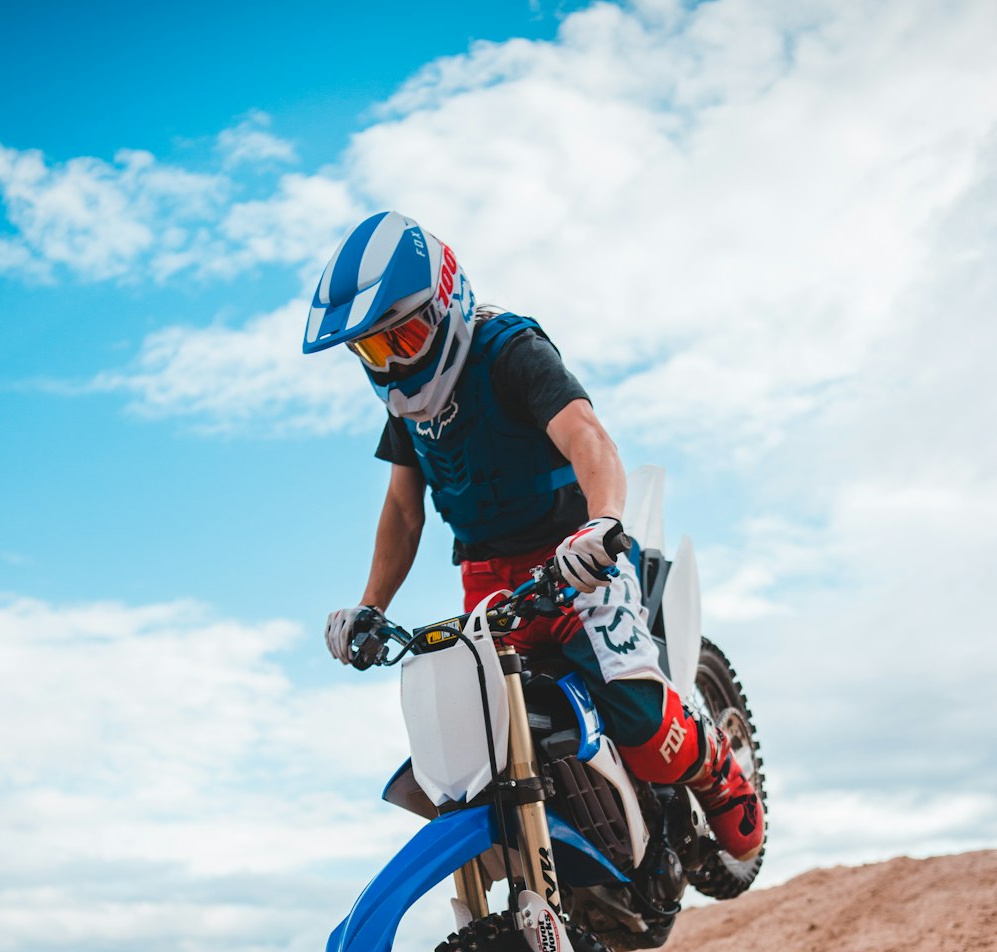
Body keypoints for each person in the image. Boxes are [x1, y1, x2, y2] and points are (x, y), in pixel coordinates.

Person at [302, 211, 763, 861]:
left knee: (636, 718)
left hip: (575, 563)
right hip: (489, 585)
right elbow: (404, 513)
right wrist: (371, 606)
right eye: (374, 349)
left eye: (403, 335)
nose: (395, 362)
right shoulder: (409, 407)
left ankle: (713, 764)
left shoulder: (508, 349)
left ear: (445, 303)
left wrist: (601, 523)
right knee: (468, 755)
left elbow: (586, 437)